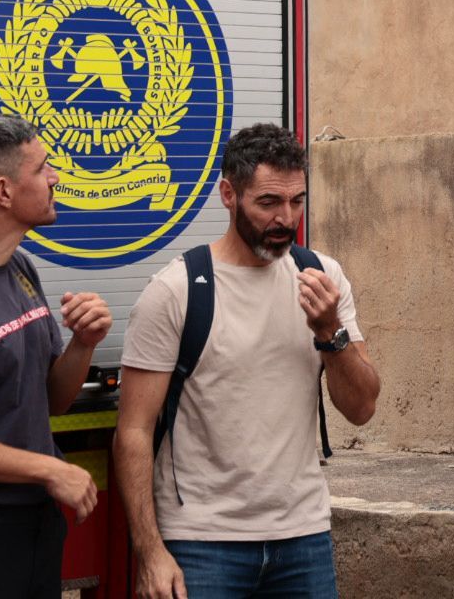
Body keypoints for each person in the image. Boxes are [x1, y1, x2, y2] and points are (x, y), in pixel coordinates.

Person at [113, 124, 380, 599]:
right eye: (269, 203)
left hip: (303, 537)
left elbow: (361, 408)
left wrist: (330, 333)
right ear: (228, 195)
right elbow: (132, 431)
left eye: (297, 201)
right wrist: (150, 552)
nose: (286, 217)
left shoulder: (322, 275)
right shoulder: (175, 290)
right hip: (201, 542)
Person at [0, 115, 110, 598]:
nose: (55, 177)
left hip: (33, 522)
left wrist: (84, 341)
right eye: (43, 167)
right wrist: (50, 469)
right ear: (3, 192)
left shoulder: (20, 265)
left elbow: (53, 399)